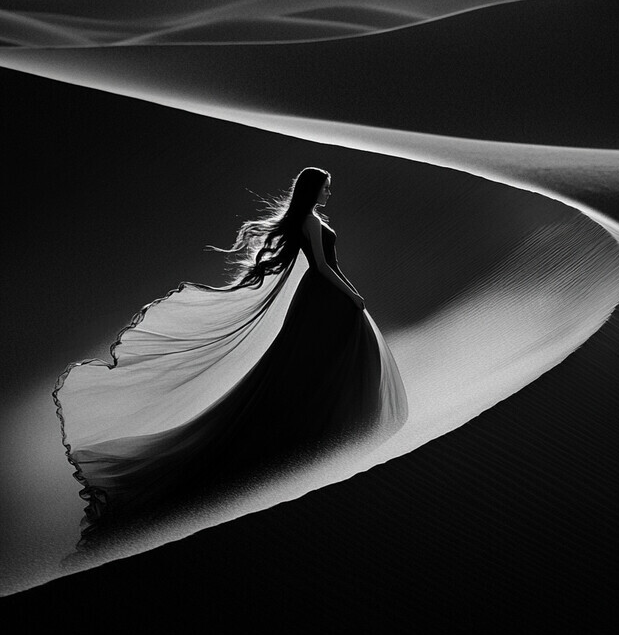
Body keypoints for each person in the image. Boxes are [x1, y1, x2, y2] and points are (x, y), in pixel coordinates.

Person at [53, 167, 408, 544]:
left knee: (323, 367)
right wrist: (352, 295)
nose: (328, 194)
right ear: (312, 190)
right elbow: (322, 267)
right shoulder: (309, 221)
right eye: (325, 188)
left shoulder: (311, 219)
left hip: (322, 300)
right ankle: (330, 435)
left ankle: (337, 432)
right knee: (320, 368)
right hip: (325, 300)